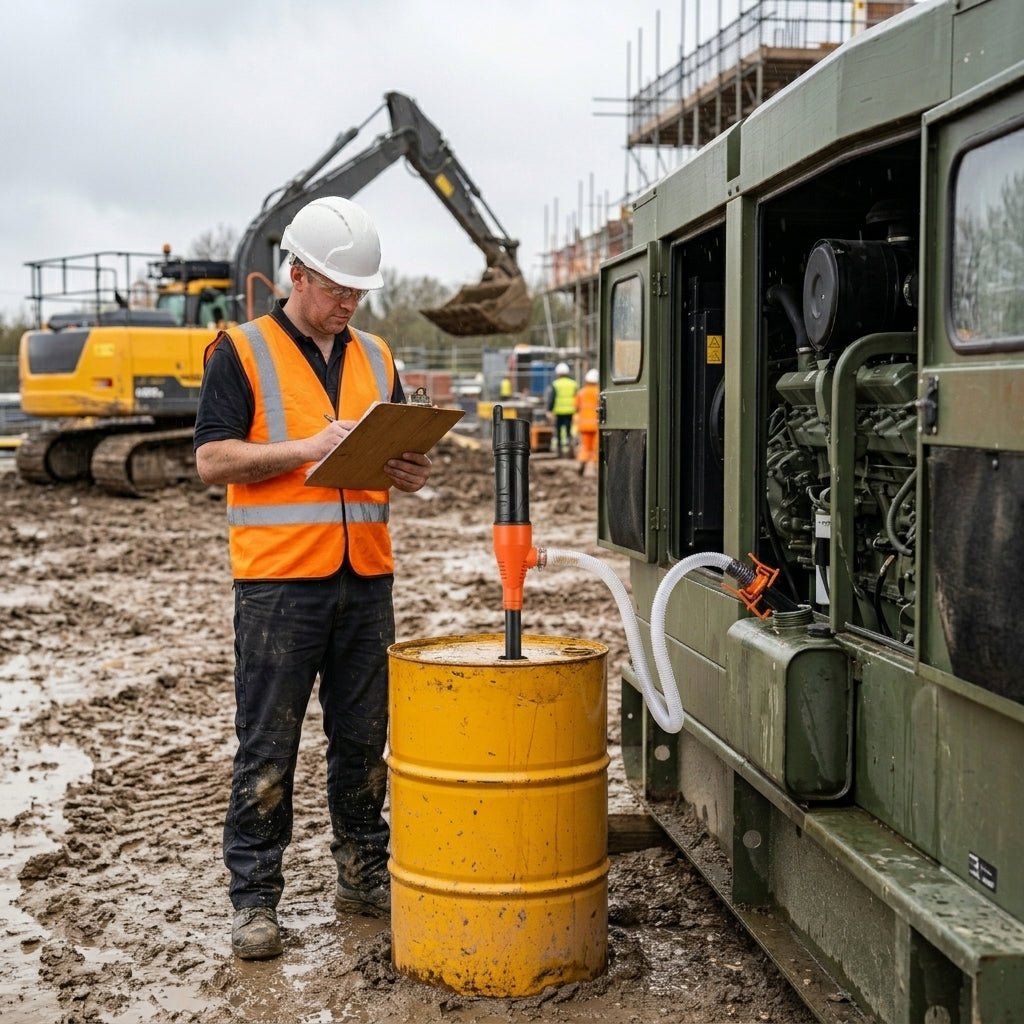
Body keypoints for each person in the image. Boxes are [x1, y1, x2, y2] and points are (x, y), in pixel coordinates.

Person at [193, 196, 432, 962]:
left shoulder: (377, 356)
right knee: (268, 747)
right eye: (337, 289)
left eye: (359, 292)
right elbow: (212, 460)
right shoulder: (241, 350)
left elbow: (399, 471)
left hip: (365, 580)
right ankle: (255, 901)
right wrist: (305, 447)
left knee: (365, 741)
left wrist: (411, 471)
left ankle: (363, 875)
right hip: (278, 587)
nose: (349, 304)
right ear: (296, 274)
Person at [547, 362, 578, 458]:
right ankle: (569, 450)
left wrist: (549, 410)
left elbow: (552, 398)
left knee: (559, 431)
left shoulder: (555, 384)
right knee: (569, 430)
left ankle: (560, 452)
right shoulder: (574, 384)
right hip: (570, 411)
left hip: (559, 412)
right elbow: (577, 398)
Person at [575, 367, 600, 477]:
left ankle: (582, 465)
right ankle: (595, 468)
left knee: (585, 446)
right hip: (596, 424)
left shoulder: (581, 393)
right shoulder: (599, 392)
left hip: (584, 425)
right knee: (596, 447)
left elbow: (576, 407)